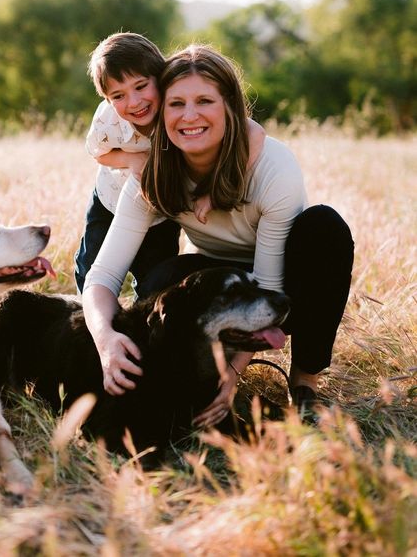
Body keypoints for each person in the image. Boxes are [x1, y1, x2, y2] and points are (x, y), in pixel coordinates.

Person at [82, 45, 354, 427]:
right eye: (177, 104)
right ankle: (193, 379)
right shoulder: (155, 173)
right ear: (162, 110)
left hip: (283, 282)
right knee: (161, 284)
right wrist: (104, 338)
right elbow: (102, 274)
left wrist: (232, 381)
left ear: (230, 106)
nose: (189, 116)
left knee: (325, 227)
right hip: (222, 275)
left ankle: (304, 379)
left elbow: (268, 283)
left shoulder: (273, 168)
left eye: (204, 101)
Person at [74, 32, 181, 293]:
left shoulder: (178, 111)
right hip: (109, 201)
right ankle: (87, 311)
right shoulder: (108, 120)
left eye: (141, 86)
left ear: (160, 78)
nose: (134, 102)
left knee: (156, 278)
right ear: (107, 99)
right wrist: (130, 158)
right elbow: (98, 152)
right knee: (91, 265)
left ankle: (142, 313)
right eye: (118, 96)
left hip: (160, 211)